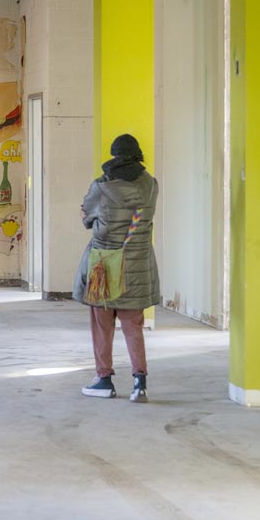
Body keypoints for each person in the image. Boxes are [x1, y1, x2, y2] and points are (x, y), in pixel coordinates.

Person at [73, 134, 160, 402]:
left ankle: (104, 380)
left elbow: (87, 217)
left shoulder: (102, 186)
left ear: (114, 156)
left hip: (105, 263)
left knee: (102, 324)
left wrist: (89, 217)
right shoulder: (150, 185)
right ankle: (140, 383)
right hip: (137, 263)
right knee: (134, 325)